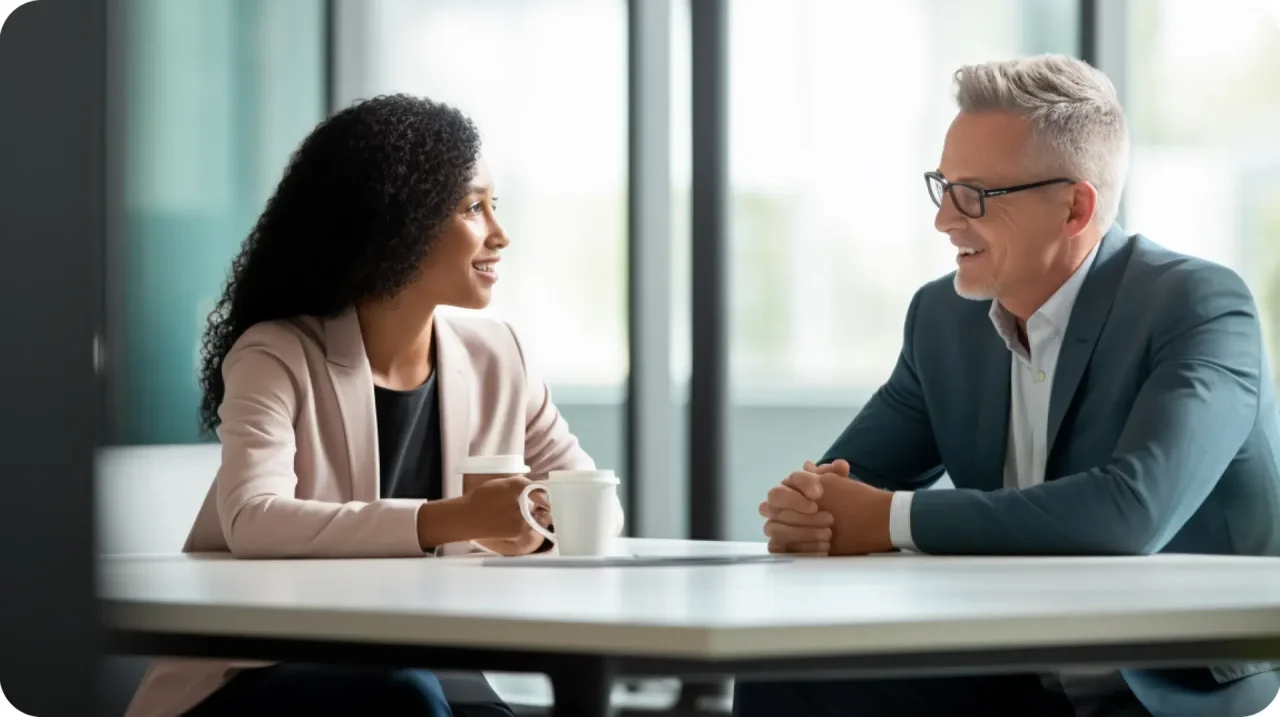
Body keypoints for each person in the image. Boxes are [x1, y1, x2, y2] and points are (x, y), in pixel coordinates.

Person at [741, 55, 1280, 717]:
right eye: (943, 186)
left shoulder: (1198, 305)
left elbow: (1128, 512)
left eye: (976, 194)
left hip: (1162, 684)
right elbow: (845, 486)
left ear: (1075, 207)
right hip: (1005, 669)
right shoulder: (942, 318)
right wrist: (811, 508)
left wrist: (887, 516)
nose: (944, 219)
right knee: (785, 676)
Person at [125, 94, 622, 717]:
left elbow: (594, 505)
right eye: (474, 207)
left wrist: (536, 525)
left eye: (497, 206)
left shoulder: (500, 355)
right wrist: (460, 517)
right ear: (397, 224)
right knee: (400, 697)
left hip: (439, 672)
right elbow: (254, 519)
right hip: (263, 674)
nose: (500, 233)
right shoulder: (277, 354)